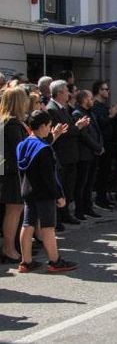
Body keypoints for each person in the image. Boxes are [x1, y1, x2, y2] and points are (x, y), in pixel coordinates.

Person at [16, 110, 77, 273]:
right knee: (48, 227)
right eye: (49, 126)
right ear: (43, 126)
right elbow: (50, 176)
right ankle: (54, 260)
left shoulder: (22, 145)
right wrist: (59, 195)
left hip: (27, 190)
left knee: (27, 224)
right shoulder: (44, 149)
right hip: (44, 194)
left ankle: (26, 261)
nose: (50, 130)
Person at [46, 80, 90, 228]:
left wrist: (78, 126)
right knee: (61, 187)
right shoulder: (52, 109)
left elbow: (69, 127)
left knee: (68, 188)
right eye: (66, 91)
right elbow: (60, 133)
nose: (69, 94)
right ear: (59, 93)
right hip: (62, 155)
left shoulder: (64, 109)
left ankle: (65, 214)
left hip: (71, 155)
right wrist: (77, 127)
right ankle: (57, 218)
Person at [0, 87, 30, 263]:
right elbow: (20, 151)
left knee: (14, 210)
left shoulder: (6, 122)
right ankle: (8, 248)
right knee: (13, 210)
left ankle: (11, 247)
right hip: (12, 174)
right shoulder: (12, 124)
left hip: (9, 172)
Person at [72, 90, 104, 220]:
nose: (93, 100)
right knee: (82, 183)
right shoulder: (78, 113)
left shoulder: (90, 112)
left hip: (93, 153)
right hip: (84, 154)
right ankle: (80, 210)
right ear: (84, 99)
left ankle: (88, 207)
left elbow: (96, 131)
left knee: (90, 183)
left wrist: (100, 145)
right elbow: (83, 135)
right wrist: (97, 147)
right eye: (90, 98)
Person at [92, 81, 117, 210]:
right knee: (102, 173)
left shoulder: (103, 105)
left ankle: (103, 197)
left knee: (107, 172)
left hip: (109, 144)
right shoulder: (96, 106)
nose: (108, 91)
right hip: (102, 144)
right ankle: (99, 198)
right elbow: (101, 123)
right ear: (99, 90)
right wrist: (111, 114)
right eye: (105, 89)